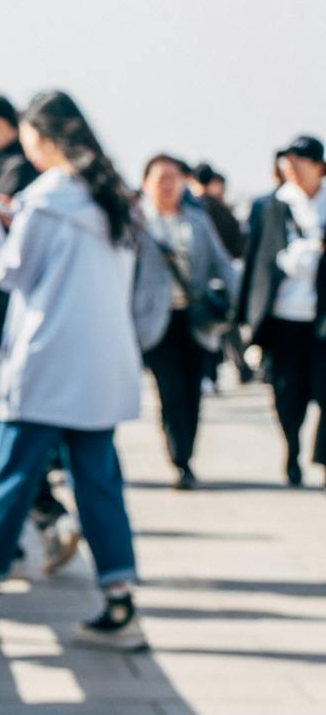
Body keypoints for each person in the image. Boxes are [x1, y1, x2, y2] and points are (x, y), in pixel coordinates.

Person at [0, 89, 146, 650]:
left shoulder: (46, 199)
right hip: (100, 363)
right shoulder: (111, 200)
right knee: (99, 482)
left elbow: (6, 271)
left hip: (46, 359)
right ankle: (119, 600)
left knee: (8, 476)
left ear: (42, 136)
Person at [0, 93, 78, 574]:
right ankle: (38, 525)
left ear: (5, 127)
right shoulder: (36, 182)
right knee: (10, 443)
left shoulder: (22, 182)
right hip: (15, 330)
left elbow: (3, 265)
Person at [132, 154, 238, 488]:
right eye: (159, 178)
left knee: (192, 389)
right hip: (155, 321)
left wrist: (236, 304)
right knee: (171, 389)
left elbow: (222, 263)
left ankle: (187, 455)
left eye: (173, 178)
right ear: (146, 183)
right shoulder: (136, 224)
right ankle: (179, 458)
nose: (166, 185)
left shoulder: (197, 221)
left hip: (195, 320)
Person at [236, 135, 326, 486]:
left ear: (318, 165)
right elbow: (256, 260)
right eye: (287, 161)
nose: (291, 167)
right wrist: (248, 314)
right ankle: (291, 450)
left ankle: (321, 455)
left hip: (322, 318)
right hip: (285, 316)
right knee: (289, 394)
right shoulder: (271, 206)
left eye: (298, 160)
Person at [189, 163, 253, 386]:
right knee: (225, 328)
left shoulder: (193, 210)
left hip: (201, 281)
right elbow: (239, 243)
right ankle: (237, 368)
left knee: (208, 330)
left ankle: (211, 374)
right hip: (225, 277)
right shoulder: (221, 209)